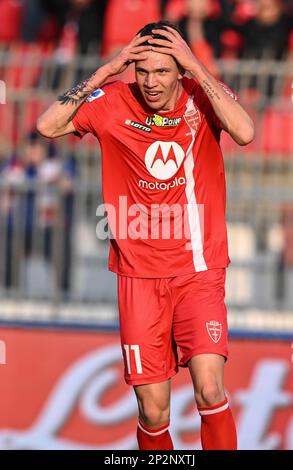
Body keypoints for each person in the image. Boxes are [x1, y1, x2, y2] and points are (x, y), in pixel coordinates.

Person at [37, 20, 254, 450]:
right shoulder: (113, 101)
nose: (151, 83)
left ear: (180, 71)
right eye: (143, 71)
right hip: (138, 278)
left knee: (210, 389)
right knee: (153, 412)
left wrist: (198, 68)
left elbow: (246, 133)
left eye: (163, 72)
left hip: (199, 269)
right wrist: (107, 70)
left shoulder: (201, 97)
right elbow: (47, 125)